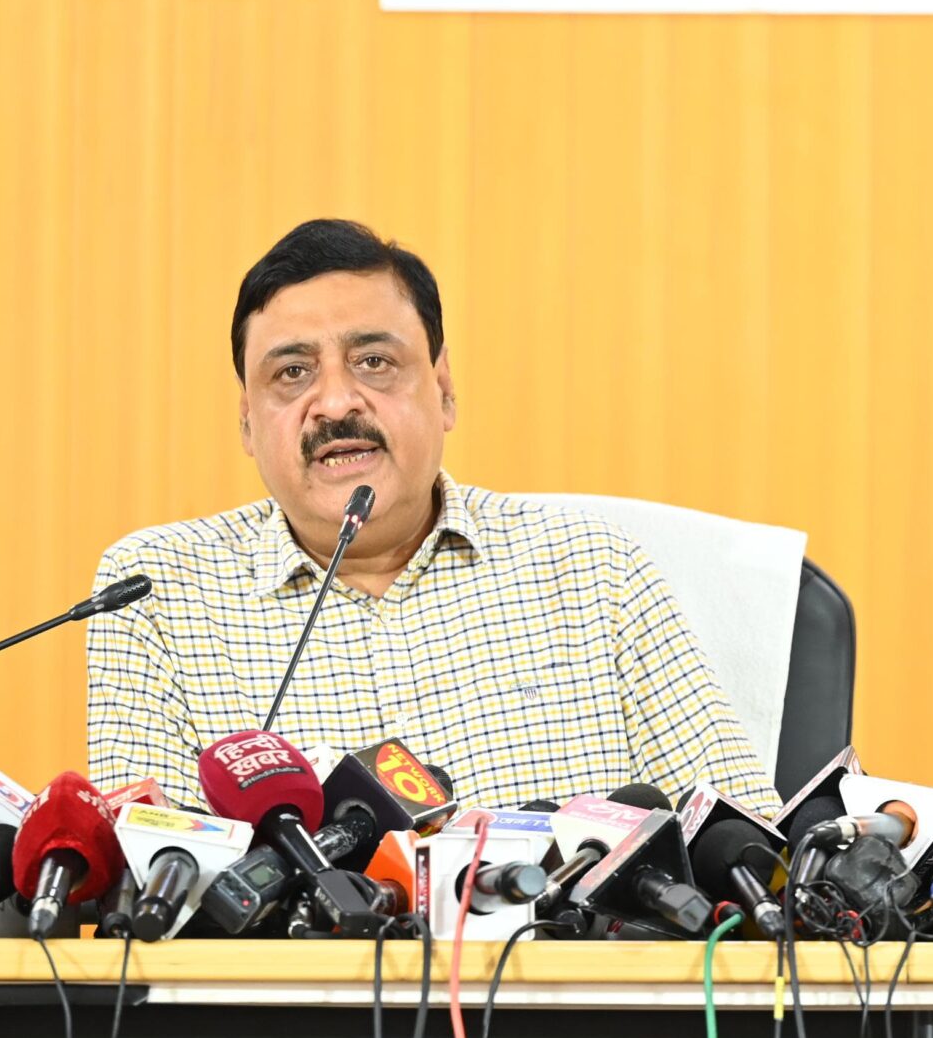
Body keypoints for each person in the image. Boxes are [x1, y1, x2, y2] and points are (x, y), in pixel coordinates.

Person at [86, 219, 777, 814]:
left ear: (443, 390)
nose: (335, 403)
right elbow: (145, 877)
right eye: (292, 373)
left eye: (374, 361)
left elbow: (741, 835)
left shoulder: (596, 570)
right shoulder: (155, 590)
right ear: (246, 420)